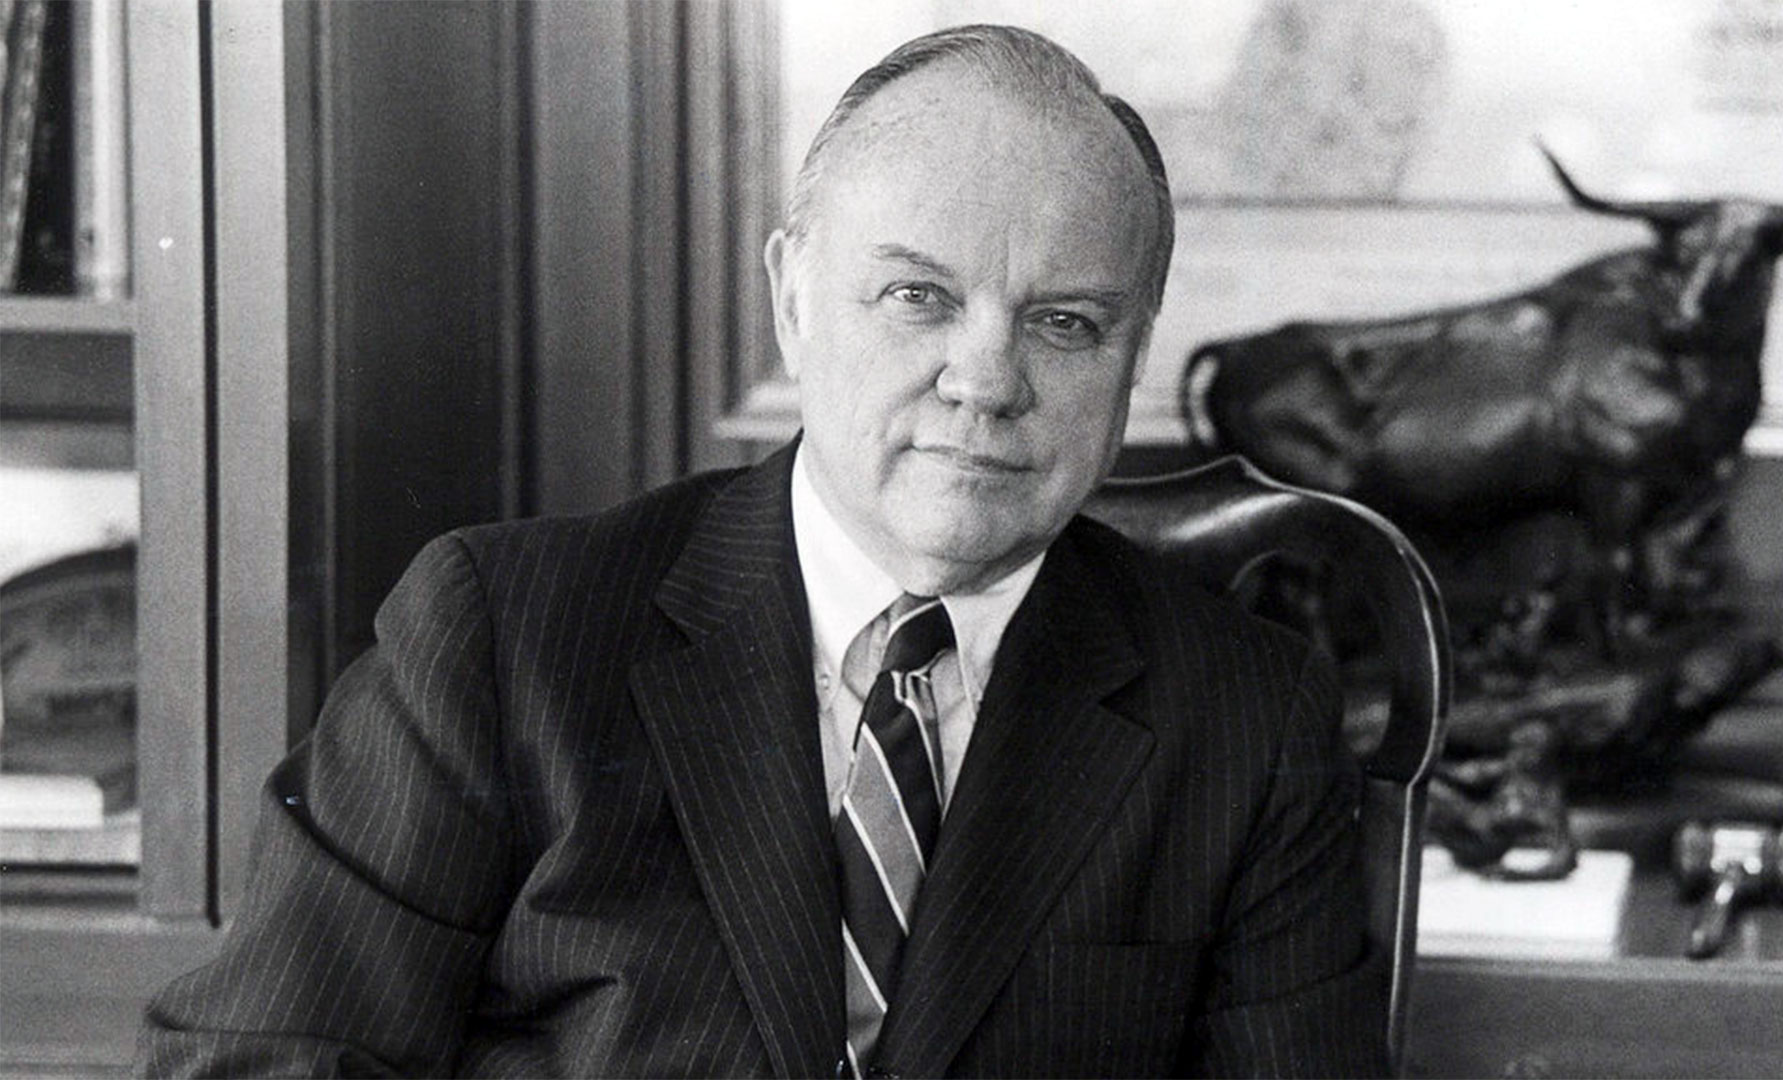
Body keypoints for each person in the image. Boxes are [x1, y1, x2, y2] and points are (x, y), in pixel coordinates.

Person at [141, 24, 1385, 1078]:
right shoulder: (501, 637)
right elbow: (266, 1059)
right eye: (919, 297)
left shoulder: (1247, 719)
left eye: (1066, 322)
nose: (986, 380)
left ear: (1135, 351)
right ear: (793, 299)